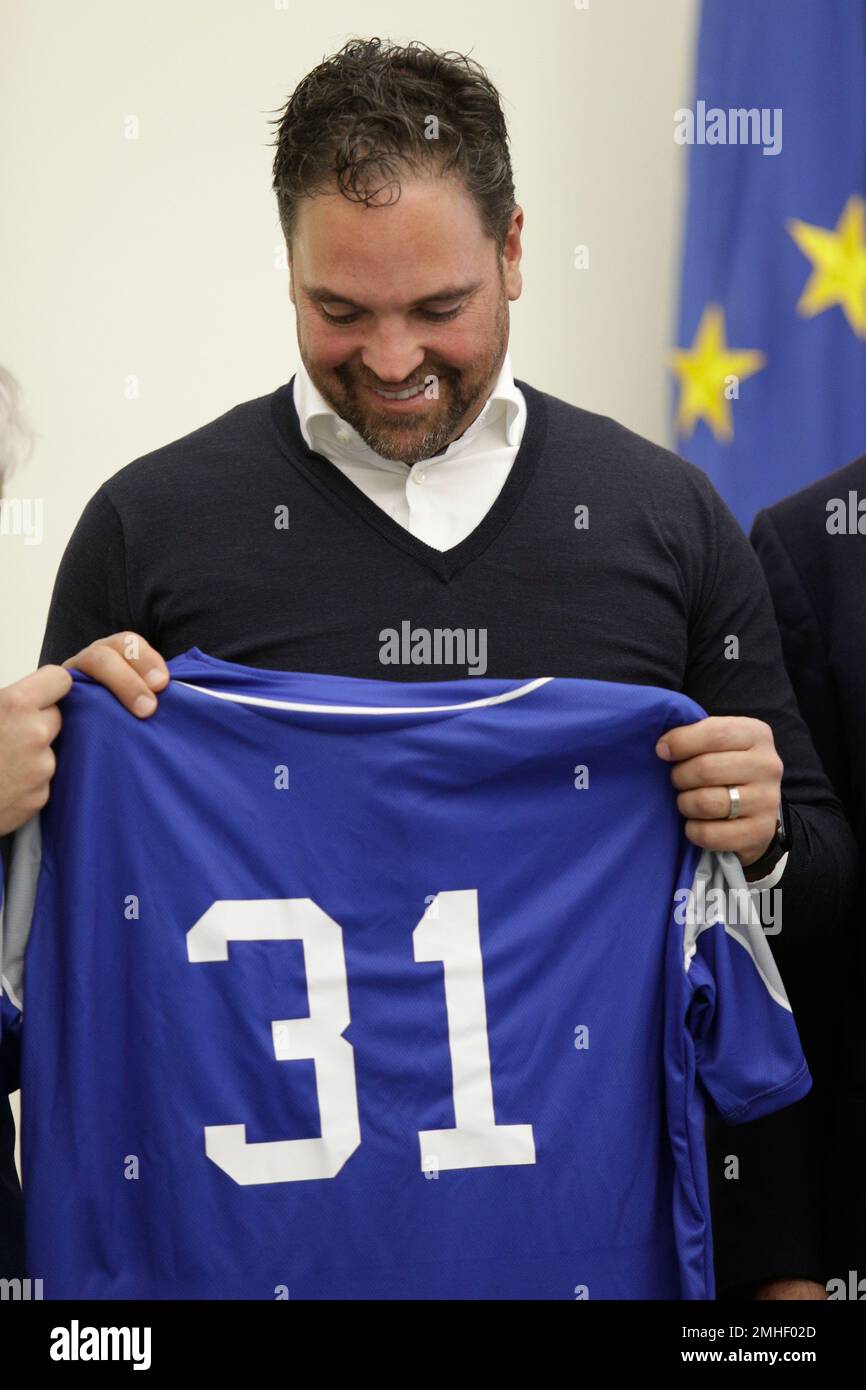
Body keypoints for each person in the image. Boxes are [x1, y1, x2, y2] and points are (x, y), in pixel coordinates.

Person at [24, 39, 860, 1298]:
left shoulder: (667, 522)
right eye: (339, 311)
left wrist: (762, 842)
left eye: (439, 307)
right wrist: (37, 785)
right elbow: (57, 955)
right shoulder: (146, 529)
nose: (392, 358)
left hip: (591, 1260)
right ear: (288, 269)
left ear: (515, 249)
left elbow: (818, 910)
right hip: (251, 1262)